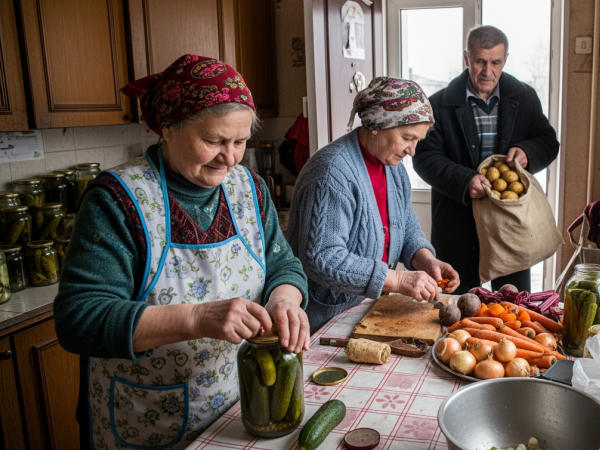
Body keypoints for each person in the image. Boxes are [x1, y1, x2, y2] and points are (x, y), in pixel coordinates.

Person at [53, 55, 310, 450]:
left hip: (239, 408)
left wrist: (286, 300)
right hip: (150, 417)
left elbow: (282, 263)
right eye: (214, 141)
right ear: (168, 128)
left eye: (239, 142)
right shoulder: (118, 199)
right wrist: (197, 317)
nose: (230, 158)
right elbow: (79, 318)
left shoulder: (250, 188)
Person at [288, 77, 460, 332]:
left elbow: (406, 227)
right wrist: (399, 279)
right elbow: (324, 258)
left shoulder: (394, 169)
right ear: (377, 125)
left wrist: (425, 260)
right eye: (407, 137)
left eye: (418, 141)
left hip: (369, 312)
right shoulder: (331, 172)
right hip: (324, 321)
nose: (412, 151)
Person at [414, 26, 560, 294]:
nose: (487, 71)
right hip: (457, 223)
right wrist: (465, 180)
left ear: (505, 60)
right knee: (457, 308)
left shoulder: (525, 97)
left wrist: (528, 152)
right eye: (480, 61)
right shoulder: (437, 104)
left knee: (513, 309)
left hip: (510, 225)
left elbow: (548, 141)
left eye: (496, 62)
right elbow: (424, 158)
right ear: (467, 58)